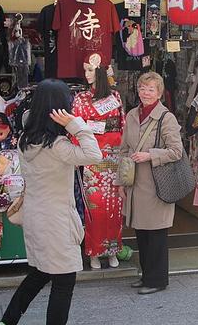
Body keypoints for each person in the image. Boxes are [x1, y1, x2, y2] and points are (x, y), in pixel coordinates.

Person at [0, 79, 102, 325]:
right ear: (61, 109)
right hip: (56, 222)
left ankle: (7, 321)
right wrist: (75, 125)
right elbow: (94, 155)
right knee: (63, 283)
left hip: (35, 217)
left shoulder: (26, 139)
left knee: (39, 274)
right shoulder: (57, 145)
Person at [117, 71, 182, 295]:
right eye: (142, 88)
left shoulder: (166, 117)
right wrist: (121, 182)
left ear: (160, 93)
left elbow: (176, 151)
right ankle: (146, 275)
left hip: (156, 185)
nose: (146, 93)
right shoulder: (132, 115)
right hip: (135, 183)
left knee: (156, 234)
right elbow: (124, 149)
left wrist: (150, 155)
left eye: (151, 89)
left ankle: (157, 280)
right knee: (142, 232)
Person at [72, 53, 125, 270]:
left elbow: (121, 124)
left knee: (114, 206)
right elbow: (75, 127)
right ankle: (94, 251)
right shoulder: (80, 98)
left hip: (113, 155)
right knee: (94, 207)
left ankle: (113, 249)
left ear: (101, 72)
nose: (86, 74)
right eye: (85, 70)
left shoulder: (115, 96)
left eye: (90, 70)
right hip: (92, 157)